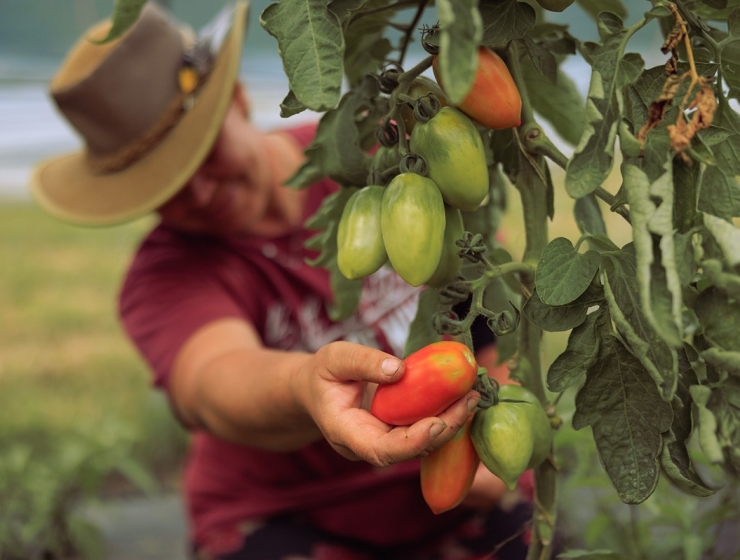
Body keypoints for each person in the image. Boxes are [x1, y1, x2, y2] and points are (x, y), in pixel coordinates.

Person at [31, 2, 533, 559]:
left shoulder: (380, 155)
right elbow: (215, 382)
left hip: (450, 493)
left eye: (200, 154)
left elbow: (484, 306)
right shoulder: (166, 274)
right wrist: (306, 386)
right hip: (285, 514)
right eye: (164, 186)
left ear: (239, 101)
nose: (197, 193)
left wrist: (486, 437)